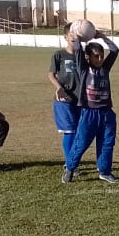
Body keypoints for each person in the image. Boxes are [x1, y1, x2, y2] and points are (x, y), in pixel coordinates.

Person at [62, 33, 119, 184]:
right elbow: (78, 50)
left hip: (106, 112)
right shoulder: (83, 69)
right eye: (96, 56)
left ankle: (105, 171)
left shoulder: (105, 68)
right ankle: (70, 168)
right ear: (88, 57)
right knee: (81, 143)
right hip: (89, 113)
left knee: (107, 142)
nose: (100, 59)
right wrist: (78, 37)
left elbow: (115, 50)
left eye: (101, 56)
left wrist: (102, 37)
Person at [48, 26, 85, 160]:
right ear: (65, 37)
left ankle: (73, 161)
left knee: (79, 133)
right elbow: (51, 74)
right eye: (72, 34)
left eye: (77, 34)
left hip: (81, 99)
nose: (75, 37)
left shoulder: (83, 55)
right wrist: (58, 87)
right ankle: (70, 164)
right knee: (70, 132)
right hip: (64, 100)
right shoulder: (59, 55)